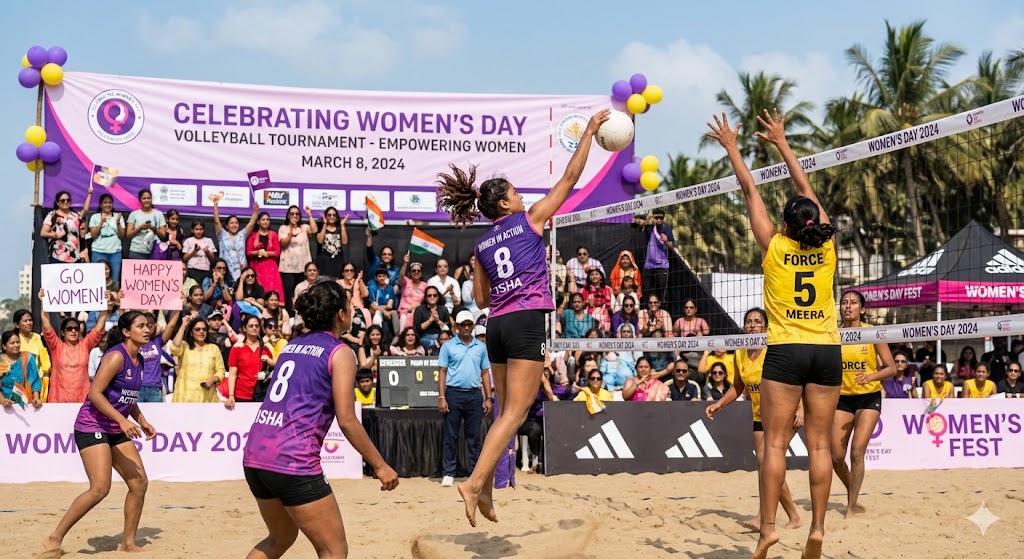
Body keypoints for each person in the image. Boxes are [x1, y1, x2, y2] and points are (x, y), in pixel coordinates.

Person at [435, 108, 608, 526]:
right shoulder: (529, 221)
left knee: (502, 412)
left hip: (494, 325)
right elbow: (569, 178)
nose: (522, 197)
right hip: (527, 319)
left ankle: (489, 492)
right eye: (515, 193)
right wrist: (587, 133)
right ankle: (474, 484)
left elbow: (479, 297)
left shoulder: (480, 246)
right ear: (503, 203)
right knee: (517, 411)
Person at [708, 108, 840, 559]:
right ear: (814, 224)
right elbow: (806, 190)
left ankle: (768, 529)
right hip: (826, 351)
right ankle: (818, 527)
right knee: (820, 445)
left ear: (785, 226)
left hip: (784, 351)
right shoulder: (828, 249)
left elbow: (750, 189)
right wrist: (783, 142)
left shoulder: (774, 246)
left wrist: (732, 148)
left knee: (775, 446)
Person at [241, 281, 398, 559]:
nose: (352, 311)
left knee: (279, 539)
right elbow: (347, 420)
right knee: (334, 551)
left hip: (256, 454)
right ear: (340, 314)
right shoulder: (340, 352)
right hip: (293, 459)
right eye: (350, 306)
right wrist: (381, 466)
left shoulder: (292, 345)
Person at [43, 311, 156, 555]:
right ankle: (54, 538)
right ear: (126, 332)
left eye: (148, 326)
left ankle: (128, 543)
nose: (147, 329)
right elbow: (95, 393)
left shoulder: (141, 360)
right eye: (141, 326)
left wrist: (141, 420)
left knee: (139, 483)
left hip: (115, 426)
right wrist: (122, 421)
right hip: (91, 425)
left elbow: (128, 398)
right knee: (100, 488)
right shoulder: (116, 356)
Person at [706, 307, 802, 530]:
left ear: (766, 326)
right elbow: (738, 387)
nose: (752, 325)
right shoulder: (740, 351)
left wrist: (802, 408)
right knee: (764, 464)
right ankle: (791, 516)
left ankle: (767, 517)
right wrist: (719, 404)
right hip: (760, 414)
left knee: (769, 463)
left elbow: (798, 379)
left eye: (757, 321)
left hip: (784, 412)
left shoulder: (774, 349)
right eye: (748, 321)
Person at [832, 290, 896, 518]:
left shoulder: (871, 333)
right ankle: (853, 492)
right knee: (836, 457)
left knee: (857, 451)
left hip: (868, 396)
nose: (848, 306)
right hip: (842, 398)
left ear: (863, 309)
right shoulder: (833, 335)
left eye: (853, 303)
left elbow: (891, 367)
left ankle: (851, 507)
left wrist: (871, 376)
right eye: (844, 302)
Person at [437, 311, 494, 487]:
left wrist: (488, 397)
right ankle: (448, 472)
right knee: (450, 435)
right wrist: (442, 396)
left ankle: (474, 472)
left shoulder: (481, 347)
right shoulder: (447, 346)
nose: (467, 327)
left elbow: (485, 372)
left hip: (474, 394)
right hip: (453, 393)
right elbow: (442, 372)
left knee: (474, 437)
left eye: (470, 324)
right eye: (463, 324)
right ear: (457, 327)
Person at [38, 289, 108, 403]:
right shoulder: (56, 346)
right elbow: (46, 325)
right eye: (69, 329)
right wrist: (43, 302)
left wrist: (104, 306)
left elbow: (99, 328)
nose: (73, 331)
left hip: (82, 400)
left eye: (76, 328)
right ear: (62, 332)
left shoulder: (86, 345)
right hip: (58, 400)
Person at [221, 314, 275, 409]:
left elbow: (271, 370)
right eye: (251, 326)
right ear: (244, 328)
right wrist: (231, 395)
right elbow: (232, 374)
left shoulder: (265, 349)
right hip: (241, 395)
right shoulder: (237, 348)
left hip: (260, 395)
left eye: (256, 326)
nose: (254, 328)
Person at [171, 315, 226, 403]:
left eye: (204, 329)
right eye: (197, 329)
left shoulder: (213, 348)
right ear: (191, 333)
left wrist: (213, 379)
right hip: (185, 397)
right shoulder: (185, 346)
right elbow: (174, 348)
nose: (201, 332)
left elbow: (221, 371)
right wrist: (183, 326)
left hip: (206, 397)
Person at [278, 205, 318, 312]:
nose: (294, 216)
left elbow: (314, 230)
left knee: (304, 294)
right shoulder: (283, 228)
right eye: (292, 214)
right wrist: (290, 234)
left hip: (303, 268)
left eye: (297, 214)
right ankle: (290, 318)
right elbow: (283, 244)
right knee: (289, 295)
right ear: (288, 216)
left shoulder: (304, 228)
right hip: (288, 269)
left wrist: (309, 214)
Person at [212, 195, 259, 281]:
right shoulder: (222, 234)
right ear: (226, 226)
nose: (234, 225)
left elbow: (252, 223)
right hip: (224, 271)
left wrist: (255, 211)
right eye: (231, 223)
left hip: (241, 270)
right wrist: (215, 205)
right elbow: (216, 222)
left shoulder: (242, 235)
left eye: (236, 223)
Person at [138, 310, 181, 403]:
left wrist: (178, 307)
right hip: (137, 389)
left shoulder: (158, 341)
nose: (148, 328)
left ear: (155, 326)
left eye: (150, 325)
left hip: (155, 389)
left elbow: (171, 325)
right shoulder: (134, 342)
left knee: (155, 417)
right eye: (143, 325)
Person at [41, 187, 93, 264]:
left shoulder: (75, 215)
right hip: (57, 256)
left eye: (68, 200)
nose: (65, 202)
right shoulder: (52, 215)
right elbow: (43, 233)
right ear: (57, 203)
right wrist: (55, 235)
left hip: (74, 256)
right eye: (62, 200)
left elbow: (85, 210)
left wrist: (89, 194)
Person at [637, 208, 674, 305]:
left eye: (661, 218)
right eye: (656, 217)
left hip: (662, 267)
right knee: (646, 293)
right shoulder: (649, 228)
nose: (658, 220)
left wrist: (665, 241)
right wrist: (648, 218)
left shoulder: (666, 230)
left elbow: (671, 247)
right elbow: (640, 224)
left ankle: (661, 315)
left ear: (663, 218)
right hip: (649, 266)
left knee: (661, 295)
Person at [0, 330, 43, 409]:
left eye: (18, 342)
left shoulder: (27, 357)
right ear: (4, 346)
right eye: (12, 343)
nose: (16, 345)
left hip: (26, 404)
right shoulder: (0, 361)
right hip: (4, 407)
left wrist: (36, 397)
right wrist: (3, 400)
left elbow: (35, 380)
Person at [247, 211, 284, 302]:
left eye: (267, 220)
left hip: (271, 267)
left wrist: (266, 253)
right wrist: (258, 252)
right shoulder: (252, 235)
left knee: (272, 290)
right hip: (256, 266)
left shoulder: (274, 234)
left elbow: (277, 252)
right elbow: (248, 252)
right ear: (258, 222)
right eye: (263, 219)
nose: (265, 221)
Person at [88, 193, 126, 281]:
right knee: (97, 280)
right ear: (100, 205)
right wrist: (101, 222)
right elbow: (93, 235)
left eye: (110, 203)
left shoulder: (118, 216)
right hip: (98, 252)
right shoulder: (95, 217)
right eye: (105, 203)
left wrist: (118, 223)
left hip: (115, 253)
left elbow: (122, 235)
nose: (108, 205)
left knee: (114, 279)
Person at [125, 189, 167, 259]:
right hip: (137, 251)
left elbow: (163, 236)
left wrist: (154, 229)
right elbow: (128, 235)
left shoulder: (159, 214)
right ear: (140, 200)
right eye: (144, 198)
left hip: (155, 251)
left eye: (148, 198)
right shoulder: (134, 214)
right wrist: (140, 228)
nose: (146, 200)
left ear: (151, 199)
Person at [13, 309, 51, 384]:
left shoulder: (37, 337)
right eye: (25, 321)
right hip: (19, 381)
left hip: (37, 381)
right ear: (17, 325)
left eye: (30, 320)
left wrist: (45, 380)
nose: (29, 323)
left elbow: (45, 359)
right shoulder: (14, 339)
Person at [413, 285, 451, 351]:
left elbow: (448, 328)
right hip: (425, 337)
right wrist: (430, 320)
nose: (432, 297)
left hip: (441, 337)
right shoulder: (419, 310)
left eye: (435, 295)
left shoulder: (443, 309)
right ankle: (435, 345)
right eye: (429, 295)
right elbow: (417, 329)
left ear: (438, 297)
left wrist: (438, 321)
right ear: (425, 298)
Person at [314, 207, 348, 278]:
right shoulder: (321, 228)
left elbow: (344, 242)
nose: (332, 217)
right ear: (325, 216)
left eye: (334, 215)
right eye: (329, 215)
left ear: (336, 217)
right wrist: (325, 224)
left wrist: (342, 226)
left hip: (337, 263)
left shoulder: (340, 228)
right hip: (323, 263)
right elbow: (320, 241)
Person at [397, 255, 428, 329]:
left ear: (421, 273)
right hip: (404, 312)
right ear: (410, 273)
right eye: (413, 270)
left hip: (418, 311)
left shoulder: (425, 285)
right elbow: (401, 276)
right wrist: (405, 263)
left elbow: (427, 300)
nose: (416, 272)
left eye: (418, 271)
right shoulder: (406, 282)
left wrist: (416, 307)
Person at [368, 266, 399, 337]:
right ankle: (377, 336)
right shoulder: (372, 288)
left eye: (384, 276)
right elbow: (373, 306)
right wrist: (383, 311)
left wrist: (380, 308)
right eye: (379, 276)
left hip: (388, 312)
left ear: (387, 277)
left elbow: (390, 306)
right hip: (376, 312)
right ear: (376, 278)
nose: (382, 278)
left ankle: (397, 336)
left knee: (394, 313)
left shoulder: (390, 288)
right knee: (378, 313)